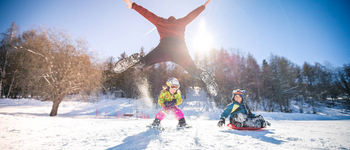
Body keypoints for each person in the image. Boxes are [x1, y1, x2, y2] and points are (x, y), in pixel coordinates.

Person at [119, 0, 218, 96]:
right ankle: (202, 75)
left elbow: (148, 14)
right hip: (179, 48)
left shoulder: (161, 21)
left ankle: (135, 60)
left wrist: (133, 6)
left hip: (164, 48)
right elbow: (192, 15)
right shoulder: (180, 22)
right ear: (174, 18)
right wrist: (203, 6)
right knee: (193, 70)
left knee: (146, 61)